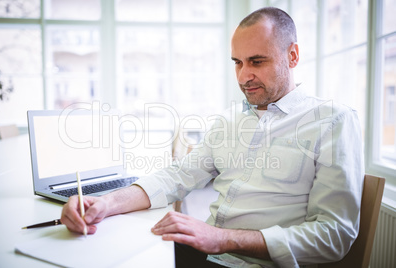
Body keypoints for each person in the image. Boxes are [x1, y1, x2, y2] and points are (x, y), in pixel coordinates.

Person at [61, 7, 364, 268]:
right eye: (237, 62)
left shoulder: (332, 121)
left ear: (293, 55)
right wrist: (104, 203)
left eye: (257, 61)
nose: (244, 76)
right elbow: (176, 176)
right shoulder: (228, 122)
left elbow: (334, 235)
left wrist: (221, 239)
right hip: (203, 256)